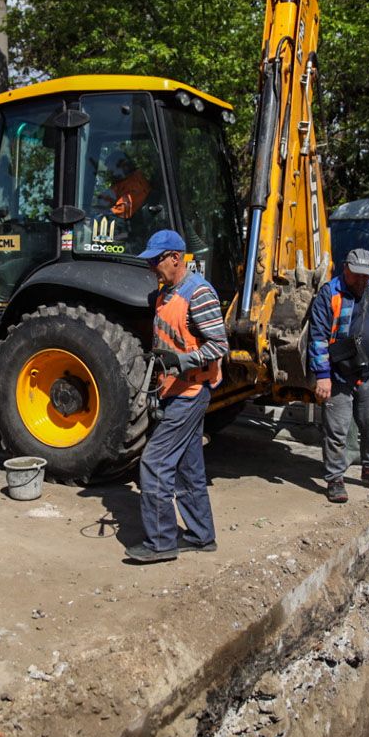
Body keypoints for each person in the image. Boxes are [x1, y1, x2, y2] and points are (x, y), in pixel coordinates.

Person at [125, 229, 228, 563]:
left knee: (154, 464)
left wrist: (185, 361)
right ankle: (201, 536)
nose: (152, 267)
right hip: (174, 390)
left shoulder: (198, 293)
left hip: (191, 391)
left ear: (175, 258)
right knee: (187, 466)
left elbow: (219, 345)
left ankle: (161, 542)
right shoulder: (165, 293)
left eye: (157, 260)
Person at [308, 248, 369, 503]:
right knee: (337, 430)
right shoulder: (330, 294)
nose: (362, 281)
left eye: (367, 276)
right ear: (346, 269)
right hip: (338, 374)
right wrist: (322, 375)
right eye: (357, 275)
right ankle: (335, 479)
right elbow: (318, 337)